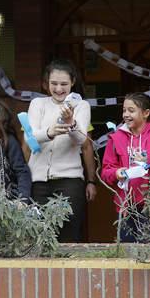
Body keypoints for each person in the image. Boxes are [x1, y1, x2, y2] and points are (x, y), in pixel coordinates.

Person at [28, 59, 92, 242]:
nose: (58, 89)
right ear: (46, 83)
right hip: (38, 180)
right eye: (54, 84)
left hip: (69, 181)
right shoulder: (37, 104)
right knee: (39, 233)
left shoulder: (81, 106)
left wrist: (71, 122)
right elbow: (30, 137)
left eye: (64, 84)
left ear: (72, 82)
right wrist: (49, 132)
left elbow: (81, 139)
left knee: (69, 233)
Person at [100, 92, 150, 242]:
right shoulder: (116, 138)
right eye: (124, 110)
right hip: (125, 205)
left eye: (131, 110)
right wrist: (116, 173)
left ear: (146, 113)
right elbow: (106, 170)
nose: (126, 114)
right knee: (127, 251)